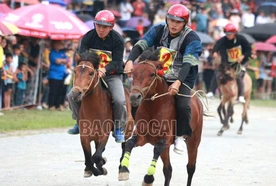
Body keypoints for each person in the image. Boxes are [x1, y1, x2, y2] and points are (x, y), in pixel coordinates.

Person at [124, 4, 202, 154]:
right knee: (137, 93)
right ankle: (137, 126)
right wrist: (129, 60)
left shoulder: (192, 38)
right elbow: (141, 44)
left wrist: (178, 83)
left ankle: (179, 135)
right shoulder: (158, 29)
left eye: (178, 22)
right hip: (160, 74)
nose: (173, 24)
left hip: (183, 76)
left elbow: (187, 64)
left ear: (185, 23)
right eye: (171, 20)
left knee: (184, 105)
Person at [67, 10, 127, 143]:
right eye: (98, 25)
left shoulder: (118, 40)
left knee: (119, 100)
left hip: (111, 75)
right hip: (90, 74)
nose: (101, 29)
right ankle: (79, 121)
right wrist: (92, 71)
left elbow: (117, 62)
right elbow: (83, 58)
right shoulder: (88, 37)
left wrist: (103, 70)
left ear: (111, 27)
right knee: (71, 95)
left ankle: (118, 128)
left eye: (104, 27)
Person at [206, 23, 252, 103]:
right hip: (227, 63)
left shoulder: (241, 39)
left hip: (240, 62)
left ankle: (240, 96)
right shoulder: (223, 40)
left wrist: (243, 56)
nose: (228, 36)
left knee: (239, 75)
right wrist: (215, 52)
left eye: (230, 34)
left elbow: (248, 49)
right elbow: (217, 45)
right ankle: (211, 92)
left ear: (234, 33)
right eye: (226, 34)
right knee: (217, 73)